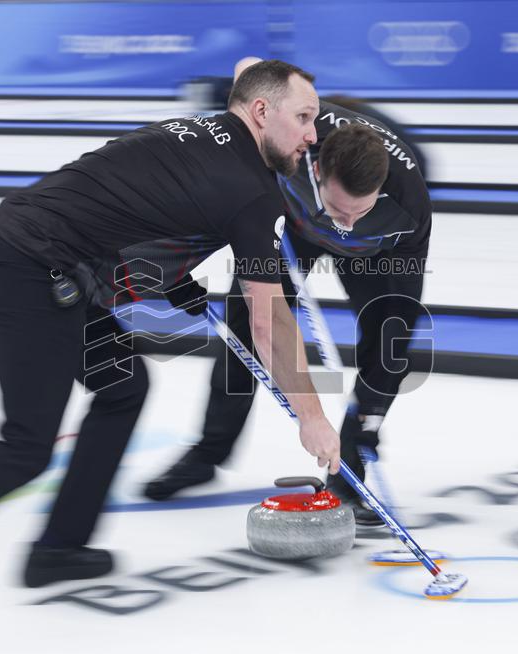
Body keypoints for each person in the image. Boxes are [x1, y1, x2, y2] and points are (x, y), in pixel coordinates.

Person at [0, 60, 341, 613]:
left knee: (123, 388)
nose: (312, 135)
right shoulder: (253, 192)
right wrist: (312, 417)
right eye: (303, 118)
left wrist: (174, 280)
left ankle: (59, 548)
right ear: (260, 112)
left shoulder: (204, 129)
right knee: (26, 446)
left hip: (39, 254)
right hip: (34, 268)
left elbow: (143, 204)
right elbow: (269, 321)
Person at [144, 59, 432, 525]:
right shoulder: (293, 129)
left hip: (372, 250)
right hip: (294, 225)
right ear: (316, 167)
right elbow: (250, 70)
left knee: (389, 342)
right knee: (247, 324)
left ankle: (350, 467)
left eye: (358, 210)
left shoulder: (408, 207)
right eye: (338, 208)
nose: (345, 222)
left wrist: (368, 424)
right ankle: (208, 452)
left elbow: (399, 322)